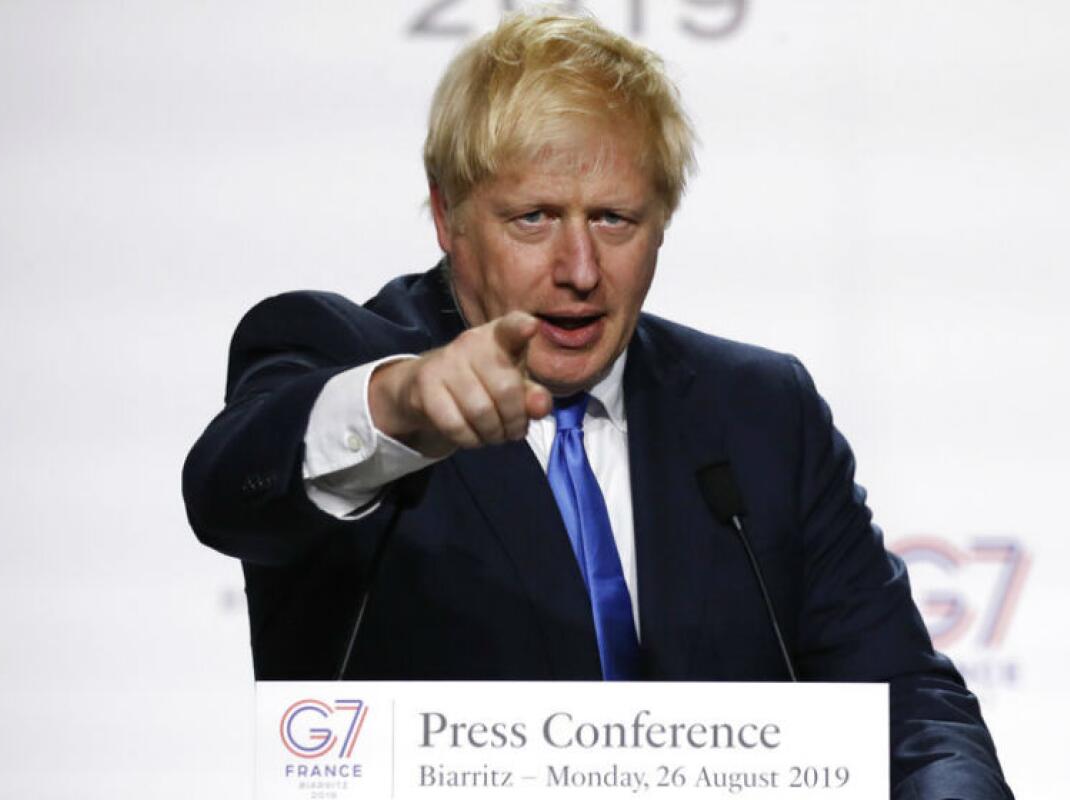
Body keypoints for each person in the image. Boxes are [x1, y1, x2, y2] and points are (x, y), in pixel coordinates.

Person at [183, 12, 1013, 798]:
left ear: (663, 224)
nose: (579, 268)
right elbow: (230, 490)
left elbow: (910, 708)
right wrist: (400, 404)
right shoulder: (339, 356)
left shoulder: (760, 412)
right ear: (448, 214)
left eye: (615, 219)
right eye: (534, 217)